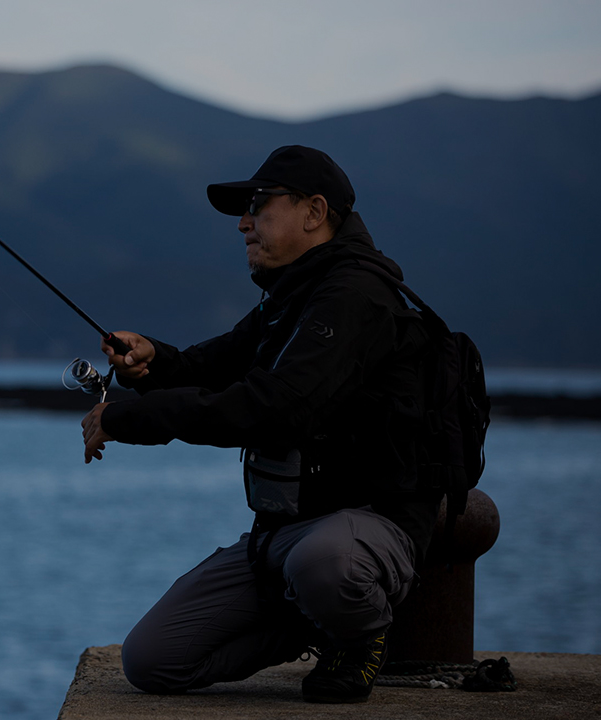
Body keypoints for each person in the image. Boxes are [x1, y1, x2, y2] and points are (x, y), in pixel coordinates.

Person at [79, 145, 441, 704]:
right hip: (278, 538)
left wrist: (126, 418)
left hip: (367, 527)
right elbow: (211, 365)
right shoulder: (293, 296)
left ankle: (362, 636)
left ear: (314, 213)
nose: (244, 223)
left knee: (323, 563)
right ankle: (317, 622)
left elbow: (275, 407)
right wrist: (153, 361)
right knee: (152, 661)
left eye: (259, 205)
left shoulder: (355, 297)